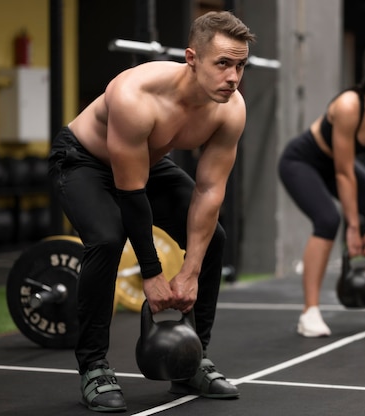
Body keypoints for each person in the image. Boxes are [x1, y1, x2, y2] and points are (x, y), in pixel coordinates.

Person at [48, 11, 255, 412]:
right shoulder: (134, 94)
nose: (233, 77)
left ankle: (192, 360)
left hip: (145, 162)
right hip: (83, 160)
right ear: (192, 58)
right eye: (223, 64)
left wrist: (191, 271)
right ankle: (93, 366)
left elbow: (210, 191)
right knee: (107, 240)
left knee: (214, 239)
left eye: (240, 65)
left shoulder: (230, 109)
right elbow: (131, 194)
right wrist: (153, 274)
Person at [278, 35, 365, 338]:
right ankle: (310, 313)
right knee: (329, 220)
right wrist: (355, 229)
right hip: (303, 161)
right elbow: (344, 173)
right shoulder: (349, 105)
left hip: (339, 167)